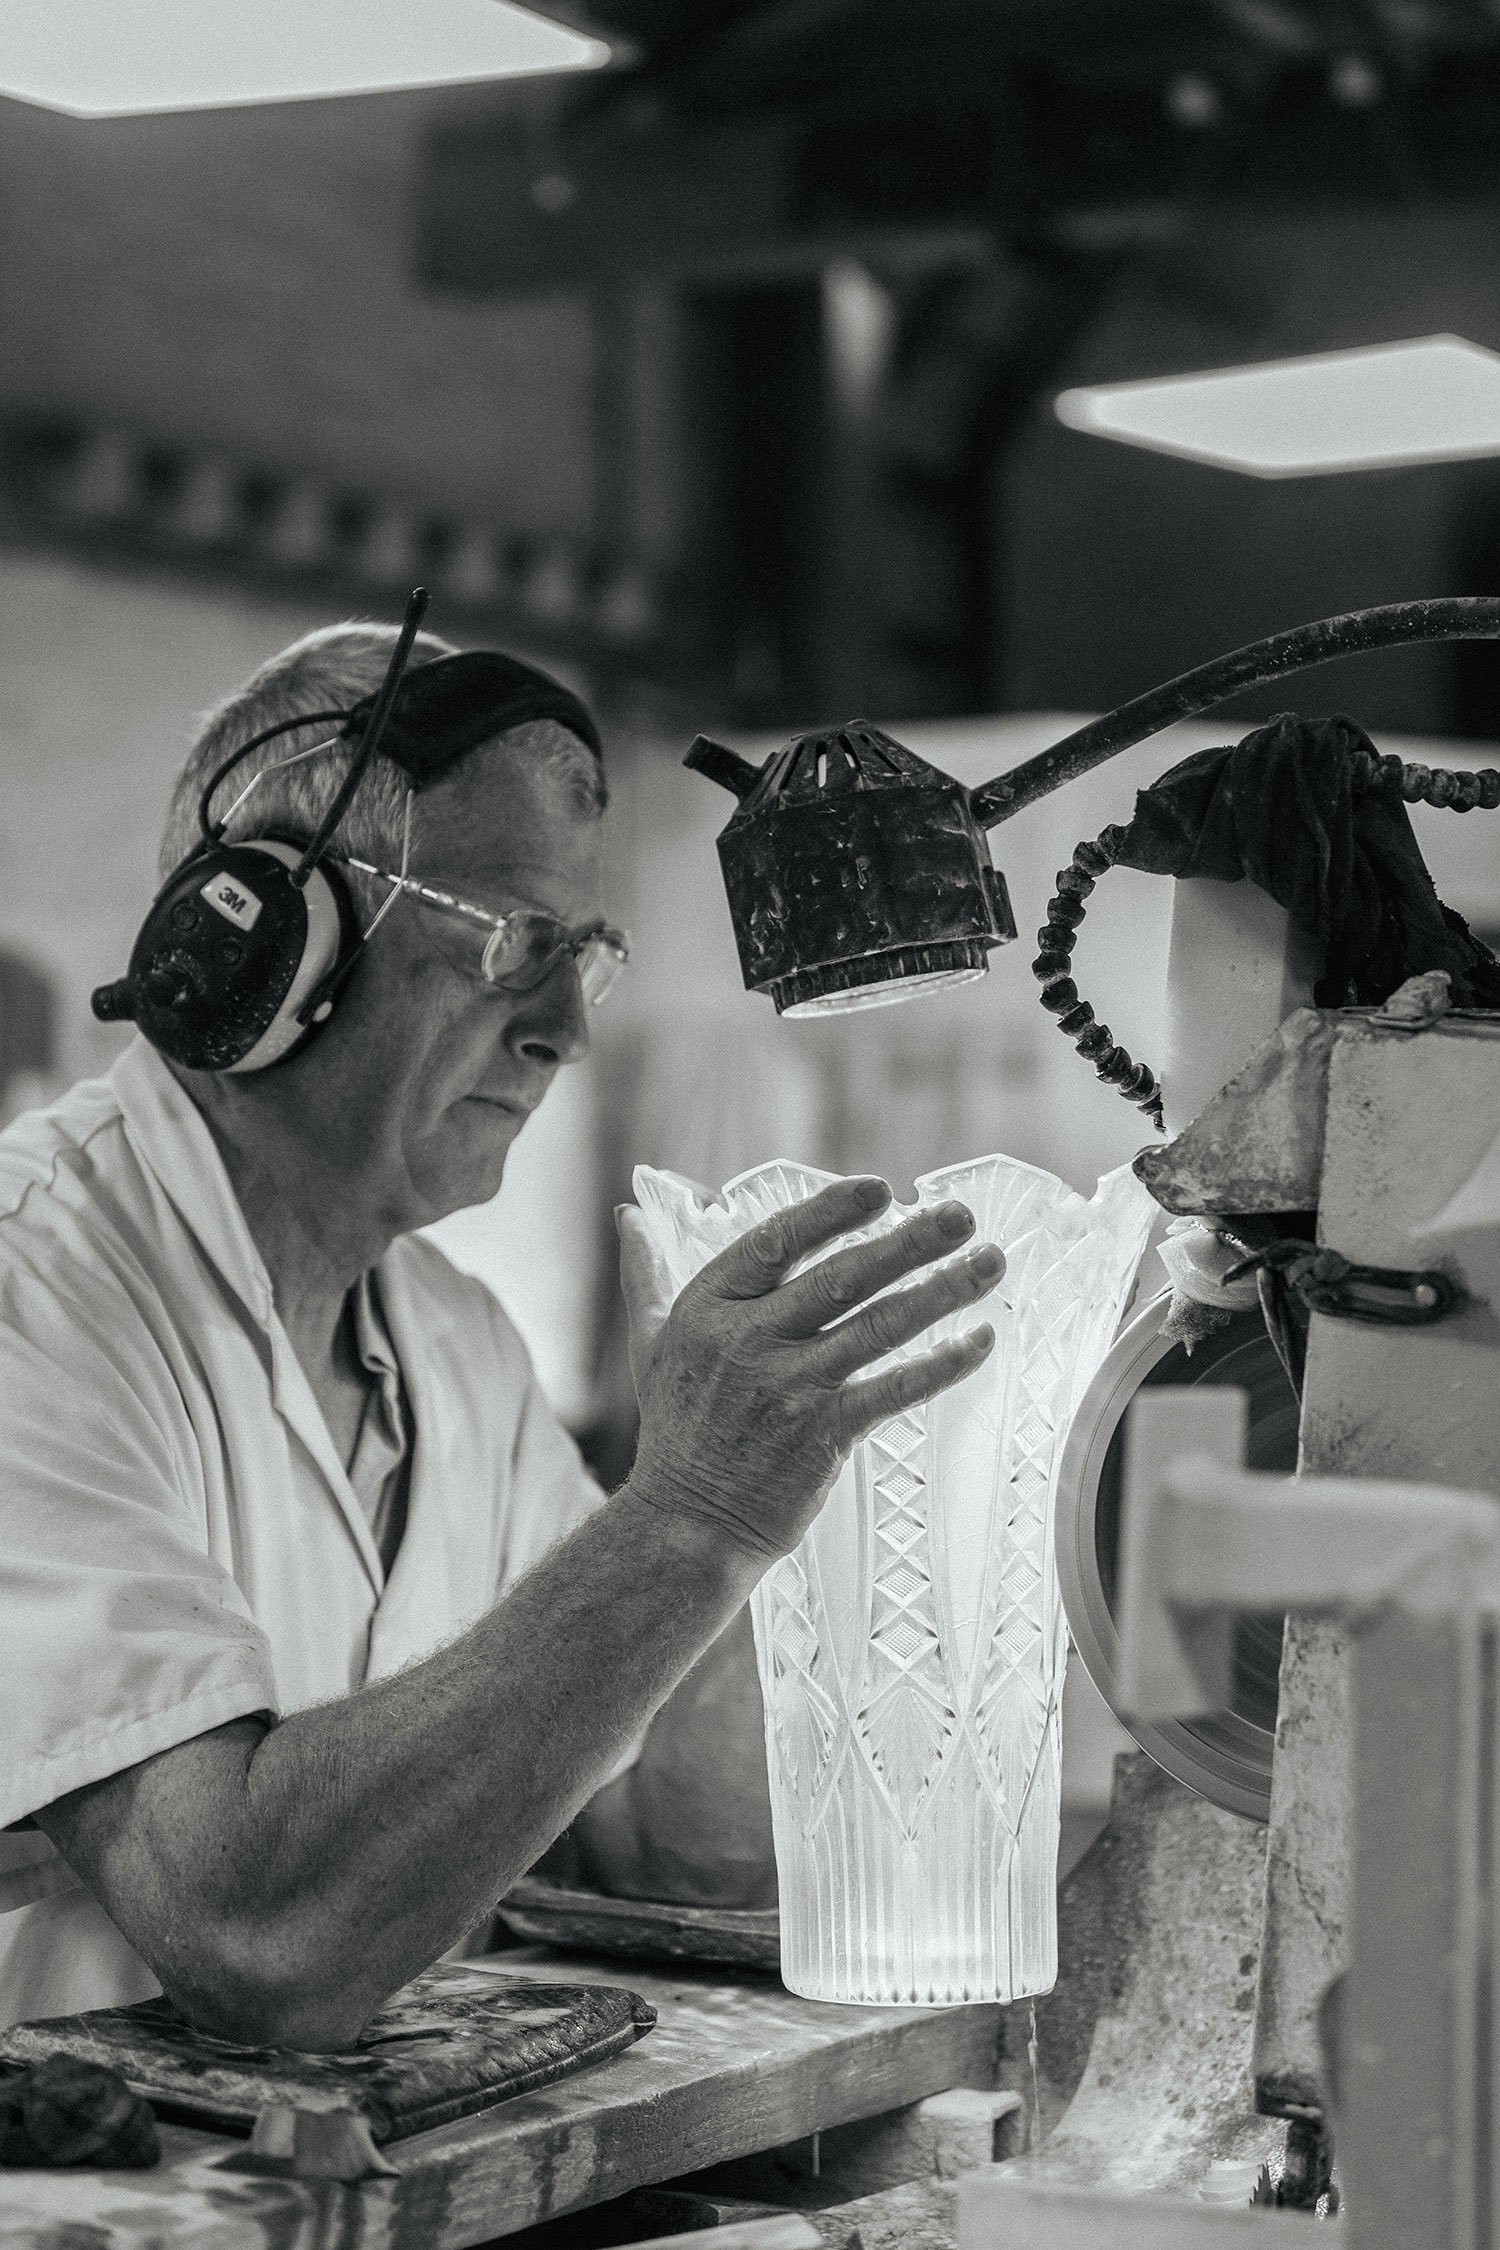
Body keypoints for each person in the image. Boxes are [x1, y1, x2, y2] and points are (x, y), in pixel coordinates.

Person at [0, 621, 1004, 2048]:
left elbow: (650, 1829)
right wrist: (693, 1515)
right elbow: (250, 1932)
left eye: (582, 955)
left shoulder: (453, 1344)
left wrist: (839, 1517)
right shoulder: (33, 1295)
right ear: (271, 942)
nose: (563, 1032)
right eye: (513, 942)